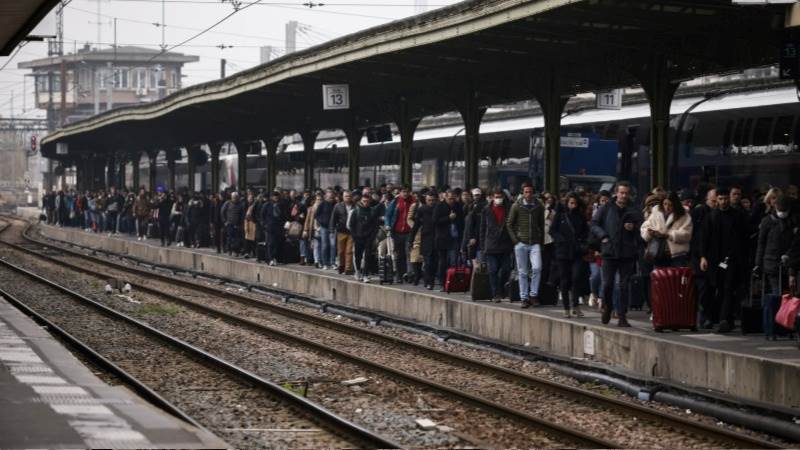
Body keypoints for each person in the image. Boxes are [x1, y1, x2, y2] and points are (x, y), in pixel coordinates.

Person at [590, 181, 642, 327]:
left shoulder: (633, 209)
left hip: (627, 253)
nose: (624, 196)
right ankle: (607, 306)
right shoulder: (606, 208)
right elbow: (594, 224)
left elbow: (642, 228)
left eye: (626, 193)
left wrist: (634, 227)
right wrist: (603, 236)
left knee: (623, 285)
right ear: (616, 193)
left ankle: (622, 315)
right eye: (621, 193)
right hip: (609, 251)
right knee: (607, 284)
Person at [699, 188, 749, 333]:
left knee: (728, 288)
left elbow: (743, 238)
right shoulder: (711, 216)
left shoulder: (738, 216)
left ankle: (724, 320)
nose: (723, 201)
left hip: (732, 259)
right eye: (720, 199)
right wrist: (703, 256)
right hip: (715, 260)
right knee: (719, 288)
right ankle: (724, 318)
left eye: (725, 198)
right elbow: (704, 238)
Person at [550, 192, 591, 317]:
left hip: (576, 252)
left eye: (575, 203)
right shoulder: (560, 215)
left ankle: (575, 305)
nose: (573, 205)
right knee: (564, 279)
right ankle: (566, 307)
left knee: (576, 277)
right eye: (571, 203)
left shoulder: (580, 216)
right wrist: (560, 240)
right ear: (567, 203)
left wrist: (583, 242)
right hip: (563, 252)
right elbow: (553, 230)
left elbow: (586, 232)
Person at [507, 182, 545, 308]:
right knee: (522, 272)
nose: (528, 194)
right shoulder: (516, 206)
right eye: (526, 192)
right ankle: (524, 297)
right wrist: (515, 241)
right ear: (522, 193)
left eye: (530, 192)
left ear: (533, 192)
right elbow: (509, 224)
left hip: (534, 242)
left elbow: (541, 225)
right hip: (521, 242)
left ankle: (533, 294)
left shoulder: (539, 206)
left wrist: (541, 241)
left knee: (537, 268)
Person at [754, 195, 796, 298]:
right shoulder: (767, 221)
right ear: (775, 206)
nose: (782, 212)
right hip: (771, 262)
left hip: (788, 262)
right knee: (777, 291)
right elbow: (761, 242)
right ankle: (777, 312)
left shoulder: (794, 220)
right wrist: (758, 263)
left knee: (787, 293)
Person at [640, 191, 693, 268]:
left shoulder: (684, 215)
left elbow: (687, 234)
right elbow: (645, 227)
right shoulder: (656, 213)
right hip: (658, 253)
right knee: (660, 278)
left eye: (670, 205)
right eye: (665, 204)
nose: (667, 207)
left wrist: (669, 235)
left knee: (675, 278)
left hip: (677, 255)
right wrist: (649, 232)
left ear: (675, 205)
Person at [480, 190, 512, 302]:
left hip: (505, 245)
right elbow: (483, 229)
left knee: (506, 269)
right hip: (491, 245)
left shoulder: (508, 209)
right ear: (493, 197)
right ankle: (496, 293)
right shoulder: (486, 210)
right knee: (492, 270)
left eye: (500, 197)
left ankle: (500, 288)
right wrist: (482, 246)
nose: (499, 199)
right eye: (496, 197)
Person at [691, 188, 717, 328]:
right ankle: (704, 317)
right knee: (703, 288)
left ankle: (710, 316)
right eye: (713, 200)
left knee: (711, 289)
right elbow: (696, 235)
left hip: (714, 256)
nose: (716, 203)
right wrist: (699, 255)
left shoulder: (718, 214)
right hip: (700, 256)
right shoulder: (700, 211)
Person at [433, 189, 464, 291]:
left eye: (453, 199)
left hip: (454, 237)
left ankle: (453, 282)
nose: (452, 201)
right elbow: (435, 221)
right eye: (450, 198)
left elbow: (462, 221)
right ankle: (443, 282)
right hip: (442, 238)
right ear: (445, 197)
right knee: (443, 261)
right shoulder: (439, 206)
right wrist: (448, 218)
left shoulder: (458, 206)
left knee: (453, 260)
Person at [349, 190, 381, 282]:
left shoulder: (372, 211)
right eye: (364, 201)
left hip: (368, 237)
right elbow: (352, 225)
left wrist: (372, 237)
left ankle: (366, 274)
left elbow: (376, 225)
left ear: (369, 201)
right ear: (361, 201)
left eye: (367, 201)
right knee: (358, 256)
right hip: (358, 237)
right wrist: (355, 236)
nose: (365, 203)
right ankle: (358, 271)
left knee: (367, 256)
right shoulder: (356, 211)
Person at [385, 186, 415, 283]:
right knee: (399, 255)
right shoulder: (396, 202)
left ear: (409, 192)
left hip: (409, 232)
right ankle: (399, 274)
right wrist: (387, 225)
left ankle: (409, 274)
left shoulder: (414, 202)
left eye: (407, 192)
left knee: (408, 253)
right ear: (400, 192)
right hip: (397, 232)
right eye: (403, 192)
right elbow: (388, 215)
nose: (405, 194)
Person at [412, 192, 438, 290]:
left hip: (437, 238)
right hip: (426, 238)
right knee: (428, 262)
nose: (431, 202)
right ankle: (429, 282)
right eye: (429, 200)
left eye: (433, 200)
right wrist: (411, 239)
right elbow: (416, 225)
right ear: (426, 201)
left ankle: (431, 279)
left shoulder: (438, 209)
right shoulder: (422, 210)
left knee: (435, 262)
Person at [331, 190, 355, 274]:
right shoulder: (338, 206)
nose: (348, 198)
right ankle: (341, 265)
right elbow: (333, 218)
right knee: (341, 251)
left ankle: (348, 268)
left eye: (349, 196)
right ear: (343, 197)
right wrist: (331, 229)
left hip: (352, 232)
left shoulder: (355, 206)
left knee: (349, 251)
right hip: (341, 231)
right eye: (346, 196)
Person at [260, 191, 285, 265]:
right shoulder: (267, 205)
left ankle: (274, 257)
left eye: (277, 197)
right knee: (270, 242)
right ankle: (270, 258)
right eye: (274, 196)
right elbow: (262, 215)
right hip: (270, 226)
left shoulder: (281, 205)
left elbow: (283, 215)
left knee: (276, 243)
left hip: (278, 226)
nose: (276, 198)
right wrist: (264, 224)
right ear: (272, 197)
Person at [221, 191, 245, 257]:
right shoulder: (227, 203)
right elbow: (222, 212)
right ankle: (229, 250)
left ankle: (236, 251)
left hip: (237, 224)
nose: (235, 199)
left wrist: (241, 223)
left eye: (236, 197)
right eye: (234, 198)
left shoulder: (240, 205)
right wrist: (225, 221)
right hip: (229, 223)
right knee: (230, 238)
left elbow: (242, 215)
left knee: (237, 239)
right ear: (231, 198)